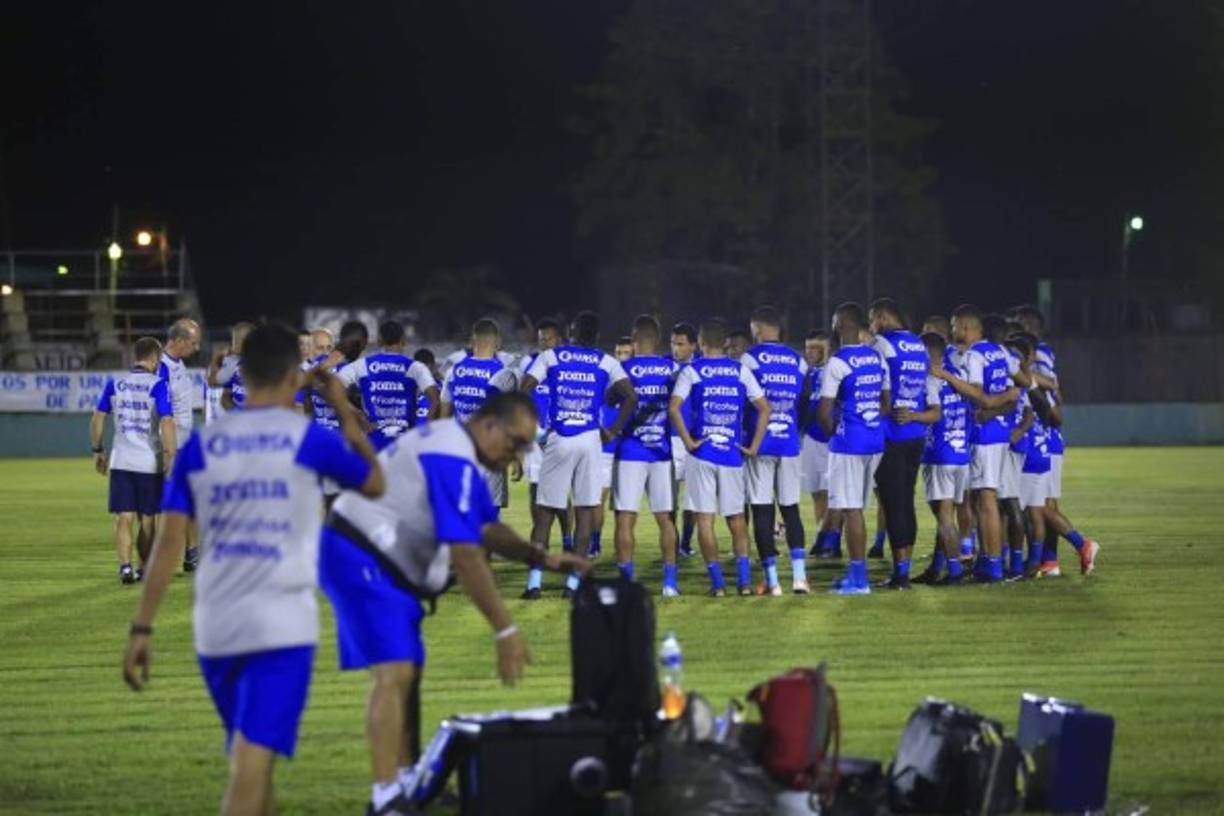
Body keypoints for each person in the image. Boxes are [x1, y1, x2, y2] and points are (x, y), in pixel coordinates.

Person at [121, 323, 384, 816]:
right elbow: (374, 482)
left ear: (243, 372)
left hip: (215, 629)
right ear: (294, 373)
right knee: (250, 768)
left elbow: (168, 545)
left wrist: (142, 626)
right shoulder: (306, 439)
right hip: (280, 628)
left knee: (252, 764)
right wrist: (345, 412)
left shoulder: (204, 446)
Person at [319, 393, 589, 815]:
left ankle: (409, 780)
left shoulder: (456, 447)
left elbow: (487, 529)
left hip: (377, 557)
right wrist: (506, 629)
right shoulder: (451, 457)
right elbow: (465, 554)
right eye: (516, 442)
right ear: (488, 426)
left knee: (409, 669)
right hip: (362, 556)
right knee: (394, 671)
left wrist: (543, 557)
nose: (516, 455)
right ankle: (386, 797)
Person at [521, 311, 637, 597]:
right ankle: (572, 586)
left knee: (545, 513)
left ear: (572, 333)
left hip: (560, 437)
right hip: (590, 440)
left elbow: (524, 389)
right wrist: (612, 431)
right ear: (597, 337)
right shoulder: (605, 361)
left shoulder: (552, 356)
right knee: (585, 513)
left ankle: (534, 585)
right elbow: (631, 397)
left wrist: (535, 431)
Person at [668, 318, 769, 597]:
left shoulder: (693, 371)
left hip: (702, 453)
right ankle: (745, 582)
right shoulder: (740, 372)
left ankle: (717, 585)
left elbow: (674, 408)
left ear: (700, 343)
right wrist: (754, 446)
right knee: (736, 519)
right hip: (732, 455)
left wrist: (689, 441)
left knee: (704, 519)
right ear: (725, 342)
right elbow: (765, 409)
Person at [931, 305, 1022, 582]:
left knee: (985, 500)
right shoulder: (998, 351)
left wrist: (948, 377)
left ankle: (993, 564)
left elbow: (979, 396)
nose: (953, 330)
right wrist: (1008, 396)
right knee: (986, 499)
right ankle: (987, 560)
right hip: (999, 431)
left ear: (966, 327)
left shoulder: (973, 356)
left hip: (984, 433)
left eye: (955, 325)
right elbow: (1022, 383)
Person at [90, 336, 177, 584]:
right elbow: (167, 421)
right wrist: (171, 455)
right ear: (155, 358)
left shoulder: (115, 384)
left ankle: (125, 568)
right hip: (149, 462)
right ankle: (143, 568)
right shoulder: (158, 385)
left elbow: (97, 418)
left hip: (121, 460)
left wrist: (97, 450)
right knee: (148, 520)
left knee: (123, 517)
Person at [817, 303, 888, 594]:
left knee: (852, 509)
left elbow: (824, 412)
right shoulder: (877, 359)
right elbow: (886, 403)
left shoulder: (837, 362)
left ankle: (859, 580)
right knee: (857, 506)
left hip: (848, 444)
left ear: (841, 326)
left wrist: (838, 430)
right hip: (875, 442)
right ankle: (857, 575)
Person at [868, 298, 936, 590]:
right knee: (906, 501)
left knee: (893, 503)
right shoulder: (918, 346)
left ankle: (900, 575)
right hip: (916, 434)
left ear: (883, 318)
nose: (871, 327)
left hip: (891, 434)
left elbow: (873, 383)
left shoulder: (882, 345)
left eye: (872, 320)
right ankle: (902, 569)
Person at [742, 305, 810, 595]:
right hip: (790, 444)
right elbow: (805, 402)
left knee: (762, 510)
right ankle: (799, 578)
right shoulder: (798, 360)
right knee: (791, 509)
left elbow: (746, 401)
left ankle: (772, 581)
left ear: (757, 329)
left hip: (760, 443)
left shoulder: (749, 358)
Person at [612, 316, 681, 595]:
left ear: (634, 339)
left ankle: (626, 582)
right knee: (665, 518)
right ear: (659, 339)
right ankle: (670, 583)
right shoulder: (673, 369)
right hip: (661, 453)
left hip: (629, 451)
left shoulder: (622, 369)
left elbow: (609, 401)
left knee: (625, 518)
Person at [519, 320, 576, 598]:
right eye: (541, 339)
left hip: (562, 440)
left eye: (549, 339)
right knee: (537, 501)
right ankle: (542, 559)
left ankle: (566, 545)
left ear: (560, 339)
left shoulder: (565, 366)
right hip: (537, 441)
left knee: (562, 502)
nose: (544, 344)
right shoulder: (529, 365)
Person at [912, 332, 971, 585]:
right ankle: (936, 568)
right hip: (961, 455)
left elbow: (934, 415)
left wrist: (912, 416)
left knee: (945, 517)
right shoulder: (959, 375)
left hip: (939, 455)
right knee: (945, 515)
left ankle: (955, 572)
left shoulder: (930, 380)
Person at [440, 319, 517, 507]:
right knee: (489, 514)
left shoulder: (454, 371)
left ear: (471, 341)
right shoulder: (504, 373)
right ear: (498, 342)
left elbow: (444, 415)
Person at [341, 320, 439, 451]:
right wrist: (423, 432)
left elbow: (331, 388)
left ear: (379, 341)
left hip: (373, 440)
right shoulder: (415, 367)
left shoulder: (362, 365)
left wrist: (358, 414)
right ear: (403, 341)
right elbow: (435, 399)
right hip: (406, 442)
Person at [158, 318, 203, 570]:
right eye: (193, 343)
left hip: (185, 441)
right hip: (172, 443)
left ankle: (192, 553)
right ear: (178, 341)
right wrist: (169, 451)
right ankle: (169, 555)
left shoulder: (178, 364)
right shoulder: (161, 368)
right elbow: (163, 414)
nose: (196, 349)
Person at [591, 336, 635, 558]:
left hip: (630, 448)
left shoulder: (636, 382)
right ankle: (595, 542)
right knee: (600, 497)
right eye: (619, 353)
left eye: (626, 353)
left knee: (625, 505)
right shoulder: (606, 379)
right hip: (607, 447)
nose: (622, 357)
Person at [798, 330, 840, 558]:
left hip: (831, 439)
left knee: (834, 494)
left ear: (830, 349)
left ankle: (829, 540)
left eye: (817, 348)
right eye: (808, 347)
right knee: (817, 493)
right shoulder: (806, 373)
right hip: (811, 438)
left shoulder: (837, 371)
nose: (811, 352)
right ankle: (823, 536)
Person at [668, 322, 700, 558]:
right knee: (669, 499)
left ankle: (686, 543)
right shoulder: (664, 368)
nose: (675, 349)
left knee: (692, 500)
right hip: (669, 439)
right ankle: (672, 541)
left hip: (693, 440)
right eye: (673, 343)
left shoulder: (701, 369)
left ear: (693, 346)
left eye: (680, 344)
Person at [207, 322, 253, 424]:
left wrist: (216, 357)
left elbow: (212, 382)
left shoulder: (232, 363)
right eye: (235, 339)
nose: (235, 343)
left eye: (237, 340)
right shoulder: (267, 360)